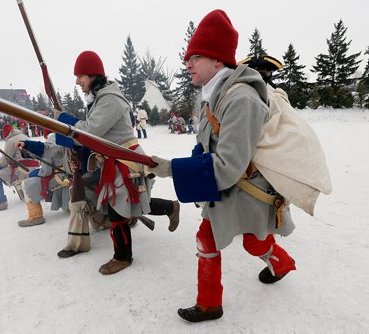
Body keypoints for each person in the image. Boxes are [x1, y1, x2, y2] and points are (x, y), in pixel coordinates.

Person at [149, 9, 296, 322]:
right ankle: (210, 304)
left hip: (247, 189)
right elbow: (206, 145)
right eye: (188, 57)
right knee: (207, 237)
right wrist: (186, 161)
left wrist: (171, 168)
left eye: (196, 56)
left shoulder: (240, 98)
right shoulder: (212, 97)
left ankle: (281, 263)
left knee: (255, 243)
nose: (187, 63)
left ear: (218, 60)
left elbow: (228, 165)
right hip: (226, 188)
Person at [55, 51, 178, 274]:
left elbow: (91, 131)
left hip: (125, 159)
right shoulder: (99, 98)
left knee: (118, 211)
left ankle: (122, 257)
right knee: (131, 205)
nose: (77, 81)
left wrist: (64, 121)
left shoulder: (109, 99)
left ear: (92, 75)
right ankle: (170, 207)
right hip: (115, 159)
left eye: (80, 76)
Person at [16, 133, 71, 226]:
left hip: (60, 178)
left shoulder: (49, 144)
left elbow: (46, 171)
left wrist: (36, 173)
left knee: (27, 184)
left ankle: (35, 216)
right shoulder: (65, 139)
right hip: (70, 174)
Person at [0, 124, 30, 213]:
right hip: (33, 167)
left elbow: (4, 162)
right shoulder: (24, 136)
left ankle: (0, 202)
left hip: (21, 170)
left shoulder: (11, 140)